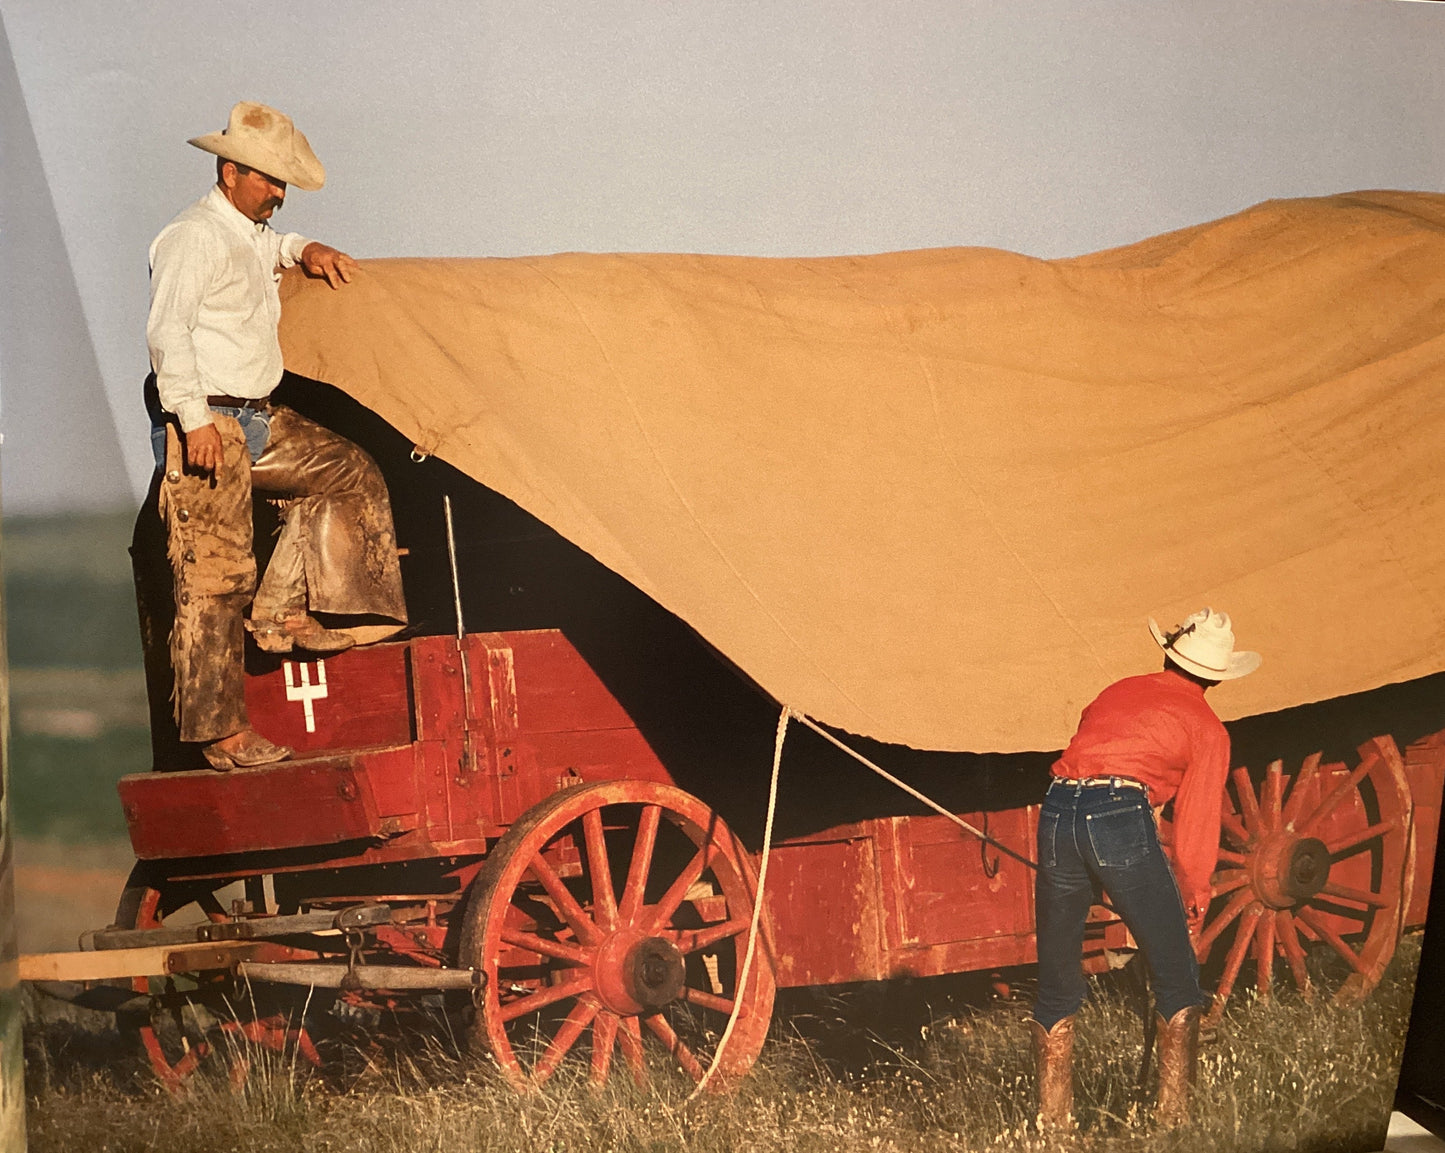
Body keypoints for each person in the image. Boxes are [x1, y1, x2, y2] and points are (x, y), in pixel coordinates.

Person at [146, 101, 407, 772]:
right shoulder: (191, 237)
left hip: (257, 415)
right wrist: (194, 419)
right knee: (212, 578)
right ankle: (221, 734)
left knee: (346, 471)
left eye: (282, 183)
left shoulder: (251, 230)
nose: (279, 194)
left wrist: (305, 250)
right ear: (229, 171)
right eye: (268, 180)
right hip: (210, 420)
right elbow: (167, 331)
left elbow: (270, 248)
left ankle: (285, 610)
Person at [1030, 607, 1260, 1129]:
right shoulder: (1206, 727)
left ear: (1168, 653)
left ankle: (1053, 1127)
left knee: (1057, 982)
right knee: (1177, 975)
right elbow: (1197, 822)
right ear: (1215, 677)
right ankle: (1173, 1122)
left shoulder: (1118, 691)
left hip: (1057, 808)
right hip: (1118, 814)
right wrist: (1195, 893)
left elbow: (1095, 746)